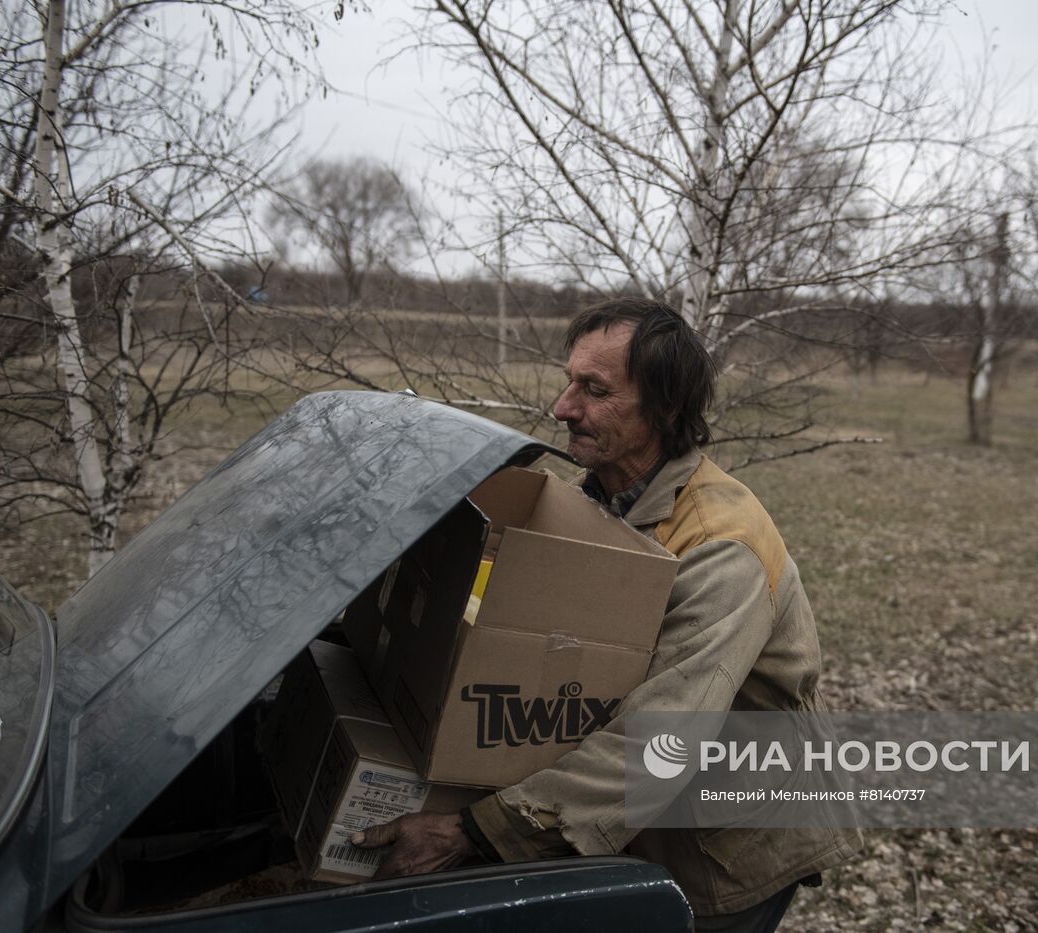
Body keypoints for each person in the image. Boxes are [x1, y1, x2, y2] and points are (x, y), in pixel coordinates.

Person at [352, 298, 857, 930]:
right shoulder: (597, 502)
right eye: (569, 382)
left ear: (667, 408)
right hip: (636, 819)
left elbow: (660, 746)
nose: (564, 407)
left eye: (595, 390)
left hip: (724, 845)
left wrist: (476, 833)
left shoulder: (722, 552)